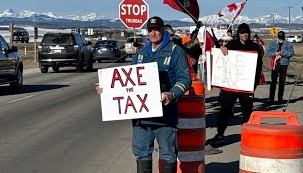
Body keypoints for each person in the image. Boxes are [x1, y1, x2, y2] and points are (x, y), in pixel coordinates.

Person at [95, 16, 191, 173]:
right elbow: (128, 83)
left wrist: (172, 94)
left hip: (165, 117)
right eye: (150, 30)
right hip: (142, 118)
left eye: (157, 30)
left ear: (163, 31)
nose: (153, 33)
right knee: (142, 155)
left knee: (168, 155)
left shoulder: (175, 51)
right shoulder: (140, 53)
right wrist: (106, 88)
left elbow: (185, 80)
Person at [206, 23, 263, 145]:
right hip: (230, 86)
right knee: (225, 110)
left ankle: (248, 136)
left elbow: (258, 67)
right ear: (239, 33)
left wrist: (254, 84)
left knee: (247, 112)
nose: (245, 35)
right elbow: (220, 59)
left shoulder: (254, 47)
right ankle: (220, 134)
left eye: (246, 32)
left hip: (246, 86)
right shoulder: (231, 45)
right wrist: (222, 50)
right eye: (242, 32)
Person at [266, 31, 294, 104]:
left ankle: (280, 99)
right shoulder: (273, 43)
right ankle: (271, 99)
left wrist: (283, 53)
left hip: (284, 64)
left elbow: (291, 53)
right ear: (277, 37)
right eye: (279, 38)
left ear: (284, 37)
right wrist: (275, 53)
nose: (280, 39)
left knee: (282, 82)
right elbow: (268, 53)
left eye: (282, 38)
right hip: (275, 64)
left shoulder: (288, 44)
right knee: (273, 82)